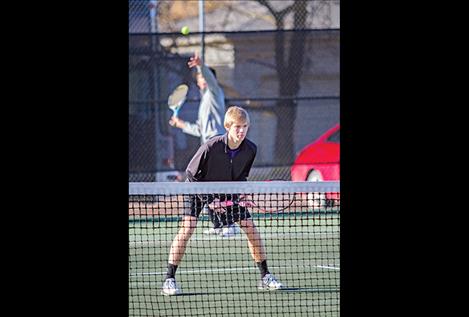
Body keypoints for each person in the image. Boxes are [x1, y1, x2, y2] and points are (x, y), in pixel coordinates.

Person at [161, 106, 284, 296]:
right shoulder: (211, 146)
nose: (241, 131)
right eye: (237, 127)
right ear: (228, 126)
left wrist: (241, 195)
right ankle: (169, 279)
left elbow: (240, 176)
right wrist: (210, 201)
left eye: (245, 126)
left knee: (250, 227)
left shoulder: (250, 149)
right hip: (197, 187)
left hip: (226, 190)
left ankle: (265, 276)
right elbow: (191, 174)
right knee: (188, 228)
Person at [169, 51, 240, 237]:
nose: (199, 80)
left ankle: (230, 225)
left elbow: (210, 79)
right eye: (200, 77)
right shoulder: (204, 102)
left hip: (218, 146)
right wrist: (181, 124)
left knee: (218, 186)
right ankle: (218, 225)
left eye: (201, 77)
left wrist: (201, 66)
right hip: (207, 147)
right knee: (206, 185)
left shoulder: (215, 94)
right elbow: (200, 130)